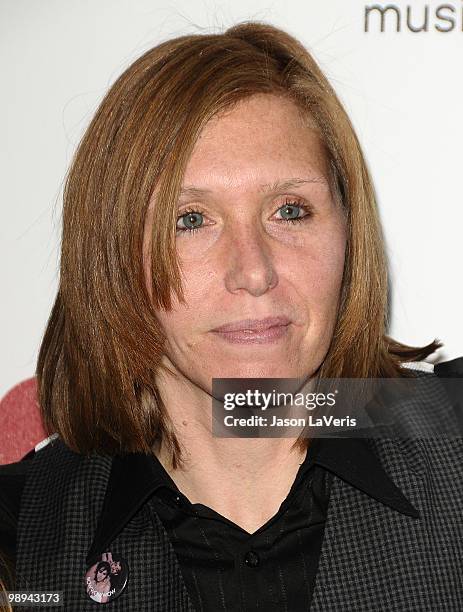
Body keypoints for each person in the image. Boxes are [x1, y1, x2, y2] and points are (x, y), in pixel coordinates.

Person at [0, 20, 462, 611]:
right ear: (111, 256)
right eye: (189, 219)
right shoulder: (20, 537)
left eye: (290, 211)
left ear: (350, 234)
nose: (253, 271)